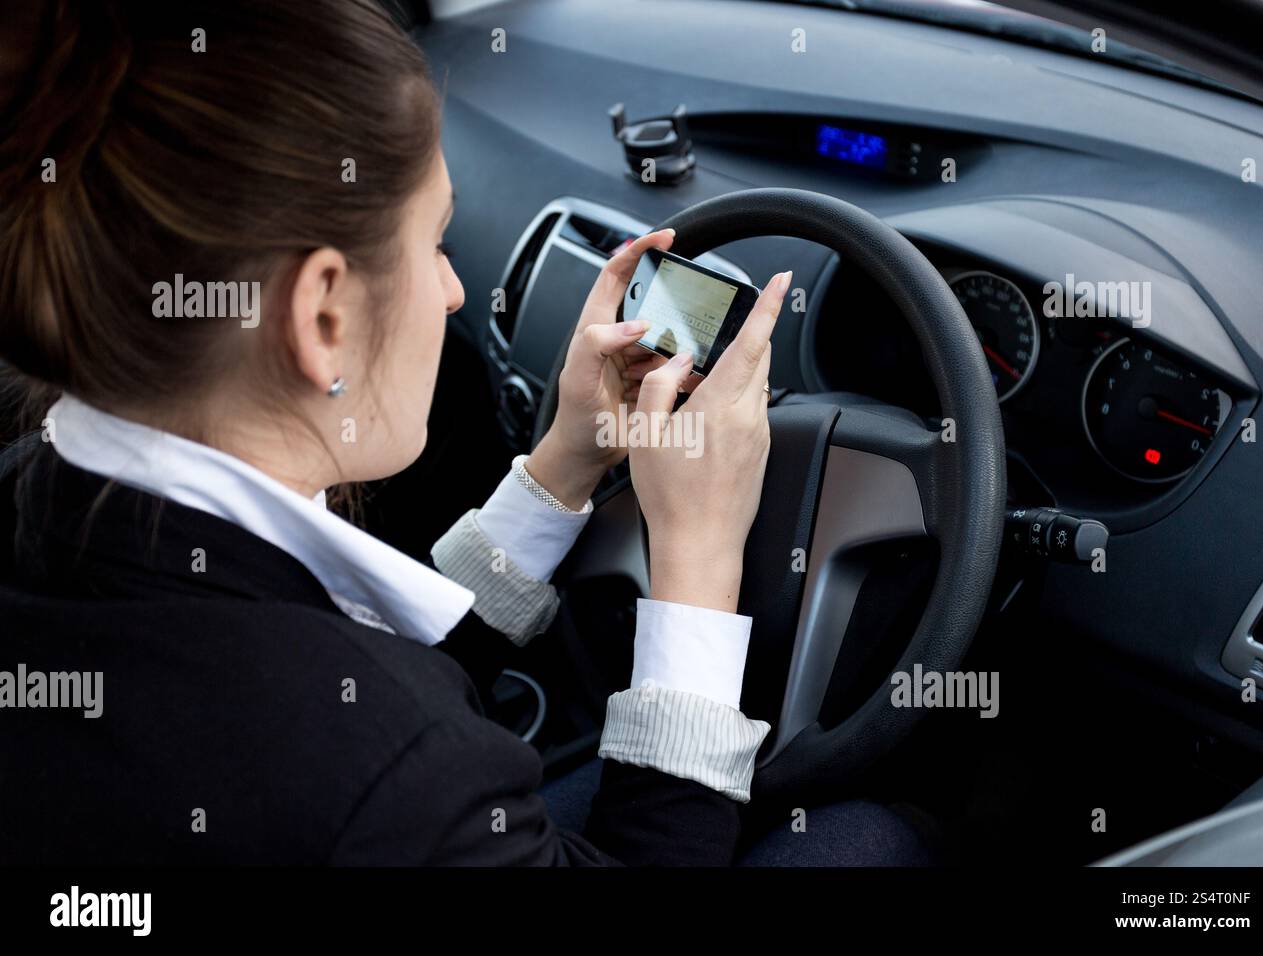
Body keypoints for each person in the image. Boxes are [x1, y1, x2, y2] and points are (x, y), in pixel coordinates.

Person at [0, 0, 929, 865]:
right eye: (434, 243)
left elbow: (355, 660)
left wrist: (566, 462)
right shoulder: (403, 779)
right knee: (872, 835)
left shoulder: (37, 492)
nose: (451, 290)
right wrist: (697, 553)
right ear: (322, 312)